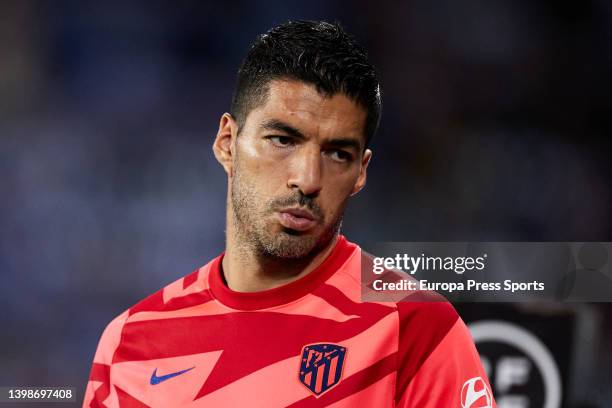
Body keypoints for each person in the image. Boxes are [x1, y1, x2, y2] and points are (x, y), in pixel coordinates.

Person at [83, 20, 495, 408]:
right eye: (283, 139)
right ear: (227, 142)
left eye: (337, 153)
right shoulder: (129, 343)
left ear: (360, 172)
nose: (308, 178)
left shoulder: (415, 328)